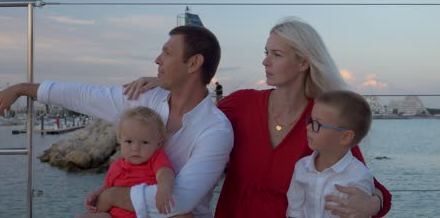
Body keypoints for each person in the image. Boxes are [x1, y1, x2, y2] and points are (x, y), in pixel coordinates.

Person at [122, 17, 391, 217]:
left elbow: (370, 185)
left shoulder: (322, 119)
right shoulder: (241, 104)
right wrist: (170, 81)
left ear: (303, 63)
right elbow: (193, 115)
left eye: (276, 55)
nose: (265, 61)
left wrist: (371, 204)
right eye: (266, 53)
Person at [0, 25, 233, 218]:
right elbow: (86, 95)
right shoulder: (146, 98)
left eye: (167, 52)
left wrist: (113, 196)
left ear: (193, 63)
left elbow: (180, 200)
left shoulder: (215, 130)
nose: (157, 59)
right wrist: (22, 88)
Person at [286, 90, 375, 218]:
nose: (308, 127)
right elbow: (295, 209)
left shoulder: (359, 176)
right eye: (310, 120)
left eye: (317, 124)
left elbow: (359, 213)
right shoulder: (302, 167)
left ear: (345, 136)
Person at [76, 106, 175, 218]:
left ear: (158, 144)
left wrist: (164, 188)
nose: (135, 148)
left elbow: (165, 172)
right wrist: (96, 194)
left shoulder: (155, 158)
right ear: (120, 142)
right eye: (129, 141)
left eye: (145, 142)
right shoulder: (116, 166)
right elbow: (108, 187)